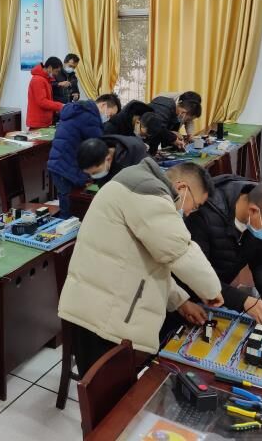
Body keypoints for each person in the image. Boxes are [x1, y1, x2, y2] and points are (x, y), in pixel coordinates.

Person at [58, 160, 223, 376]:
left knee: (110, 385)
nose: (191, 212)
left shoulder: (138, 185)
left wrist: (180, 302)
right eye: (196, 204)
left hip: (99, 306)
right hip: (102, 317)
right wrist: (212, 291)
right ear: (182, 188)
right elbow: (180, 251)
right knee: (108, 390)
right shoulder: (148, 194)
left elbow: (149, 265)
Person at [179, 178, 262, 329]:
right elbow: (196, 276)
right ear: (253, 211)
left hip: (219, 296)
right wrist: (244, 302)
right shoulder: (202, 214)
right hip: (183, 298)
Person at [47, 95, 121, 217]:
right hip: (66, 166)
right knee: (70, 207)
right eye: (110, 114)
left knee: (68, 202)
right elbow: (98, 145)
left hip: (60, 163)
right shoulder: (89, 116)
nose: (109, 118)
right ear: (103, 105)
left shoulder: (79, 110)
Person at [77, 134, 148, 187]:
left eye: (95, 173)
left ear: (108, 159)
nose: (92, 176)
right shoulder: (101, 150)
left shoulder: (129, 166)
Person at [26, 57, 64, 129]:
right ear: (50, 68)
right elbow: (42, 102)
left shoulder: (46, 79)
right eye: (56, 71)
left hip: (44, 121)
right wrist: (61, 106)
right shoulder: (38, 80)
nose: (57, 74)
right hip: (38, 122)